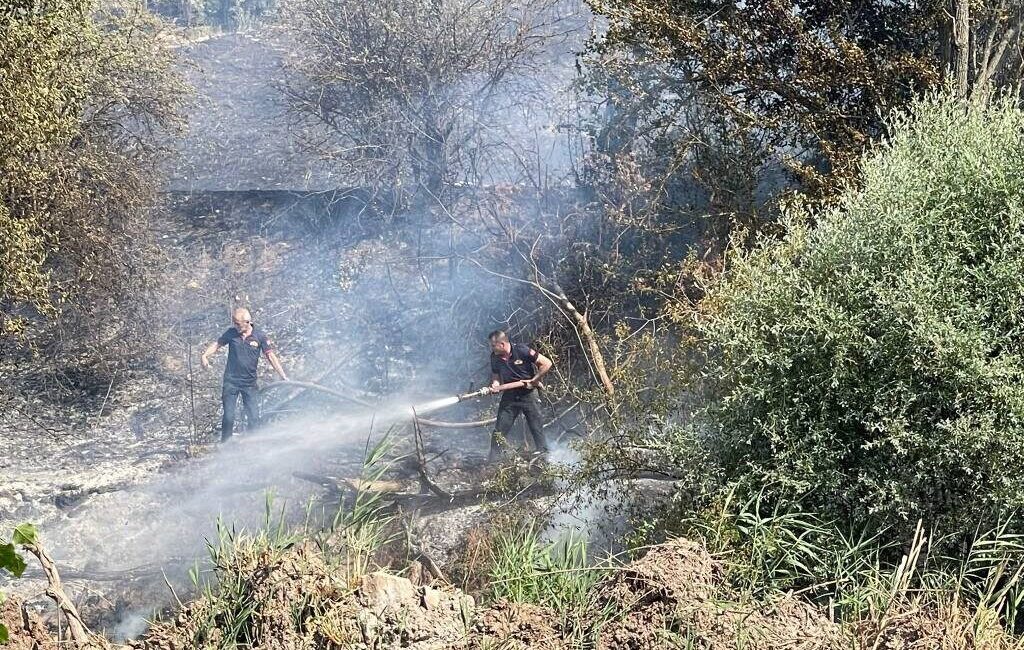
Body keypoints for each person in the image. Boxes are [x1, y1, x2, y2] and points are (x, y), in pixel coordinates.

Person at [201, 307, 288, 442]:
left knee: (253, 417)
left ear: (247, 322)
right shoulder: (231, 333)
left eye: (238, 324)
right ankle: (226, 445)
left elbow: (270, 356)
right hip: (231, 382)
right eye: (234, 323)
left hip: (249, 383)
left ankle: (253, 444)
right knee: (228, 417)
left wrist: (283, 375)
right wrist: (205, 355)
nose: (235, 326)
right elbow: (217, 344)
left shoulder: (259, 336)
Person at [487, 329, 553, 460]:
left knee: (536, 427)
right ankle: (493, 461)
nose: (491, 348)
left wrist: (534, 380)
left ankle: (544, 458)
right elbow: (495, 376)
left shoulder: (521, 350)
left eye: (493, 345)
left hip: (528, 394)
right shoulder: (494, 357)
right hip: (510, 396)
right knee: (500, 429)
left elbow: (547, 363)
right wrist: (495, 385)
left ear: (502, 344)